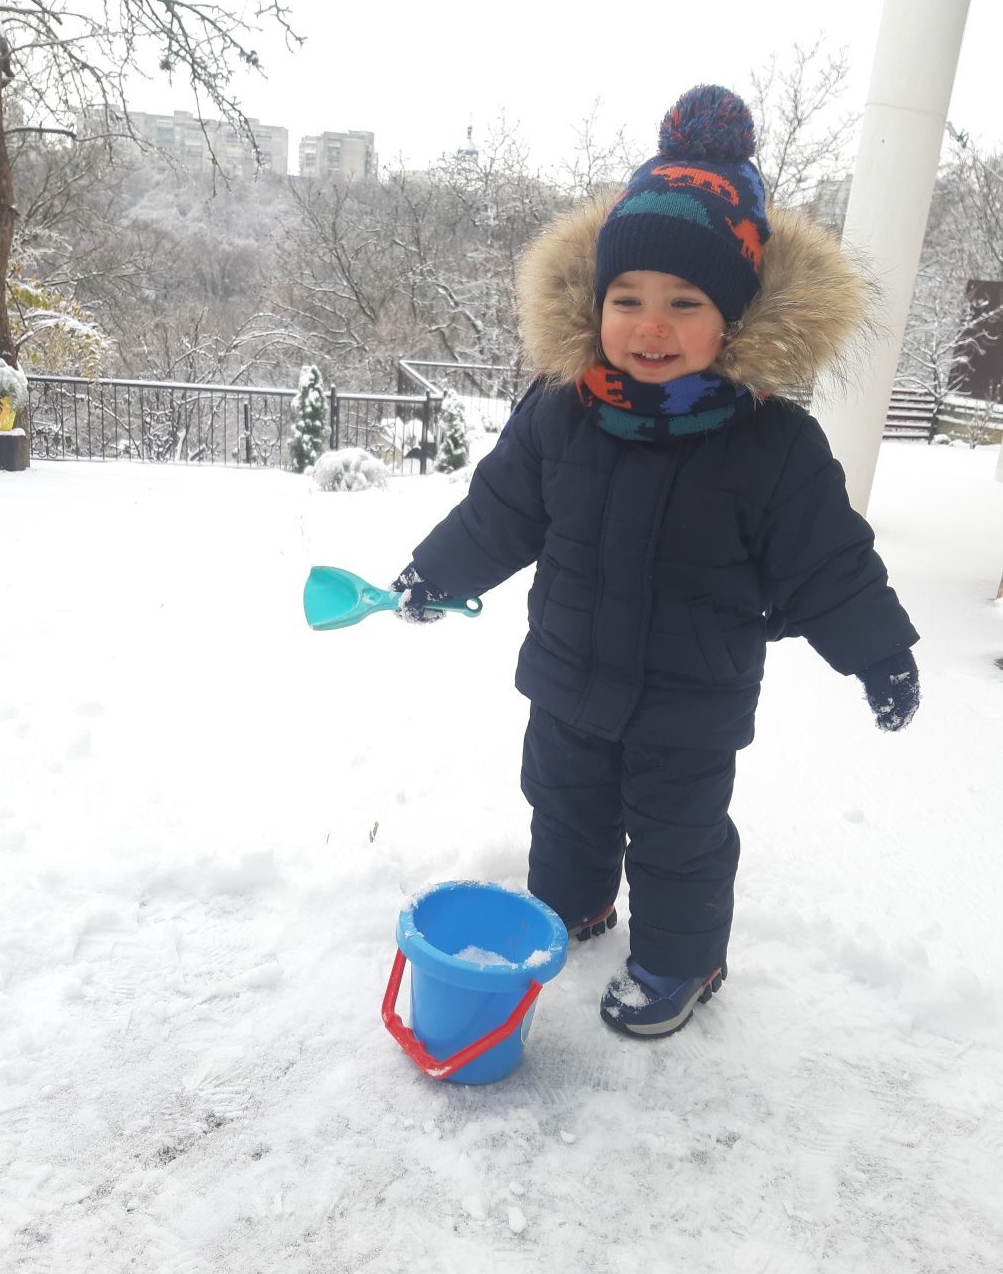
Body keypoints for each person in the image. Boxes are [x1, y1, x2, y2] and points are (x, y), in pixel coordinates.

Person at [389, 85, 920, 1039]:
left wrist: (878, 652)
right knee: (563, 809)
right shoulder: (562, 411)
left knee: (678, 845)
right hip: (567, 680)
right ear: (596, 306)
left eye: (686, 302)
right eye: (627, 299)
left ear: (736, 320)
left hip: (691, 700)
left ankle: (682, 960)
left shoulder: (772, 446)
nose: (651, 325)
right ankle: (572, 907)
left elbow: (830, 563)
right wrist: (438, 573)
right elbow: (500, 513)